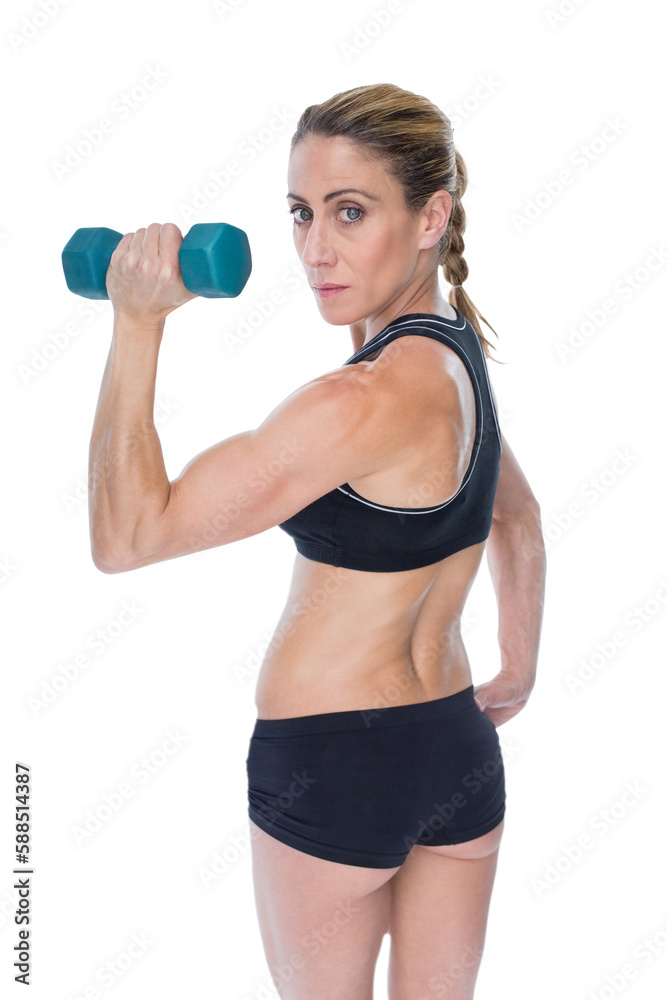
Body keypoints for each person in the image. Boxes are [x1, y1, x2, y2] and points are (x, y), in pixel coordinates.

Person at [89, 82, 546, 1000]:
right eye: (301, 213)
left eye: (350, 212)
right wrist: (515, 669)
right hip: (457, 748)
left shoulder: (356, 403)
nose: (314, 250)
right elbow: (518, 519)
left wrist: (137, 322)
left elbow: (126, 536)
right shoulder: (457, 361)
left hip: (333, 771)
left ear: (431, 218)